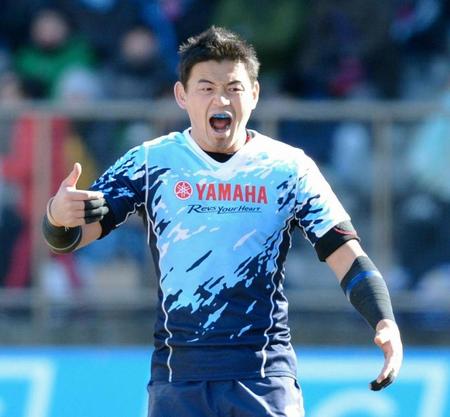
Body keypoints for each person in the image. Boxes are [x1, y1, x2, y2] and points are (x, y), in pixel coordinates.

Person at [42, 26, 403, 417]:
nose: (221, 99)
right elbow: (71, 235)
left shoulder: (288, 168)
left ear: (254, 94)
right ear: (182, 95)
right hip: (178, 379)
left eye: (234, 88)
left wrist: (384, 320)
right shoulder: (150, 162)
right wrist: (56, 215)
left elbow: (344, 252)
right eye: (206, 88)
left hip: (264, 376)